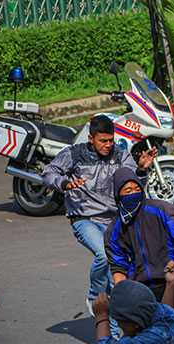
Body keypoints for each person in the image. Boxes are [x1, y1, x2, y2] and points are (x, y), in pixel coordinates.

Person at [42, 114, 156, 313]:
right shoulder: (74, 154)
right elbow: (48, 173)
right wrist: (65, 184)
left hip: (113, 221)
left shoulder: (121, 155)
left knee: (116, 282)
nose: (108, 145)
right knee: (103, 256)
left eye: (111, 140)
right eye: (103, 141)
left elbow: (132, 185)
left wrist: (141, 171)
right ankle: (95, 297)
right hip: (84, 218)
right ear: (91, 139)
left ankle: (111, 338)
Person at [105, 167, 174, 303]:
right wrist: (122, 294)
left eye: (137, 189)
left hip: (171, 280)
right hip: (140, 290)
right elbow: (118, 265)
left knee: (172, 321)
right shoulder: (114, 228)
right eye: (128, 191)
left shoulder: (161, 209)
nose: (134, 193)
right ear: (118, 195)